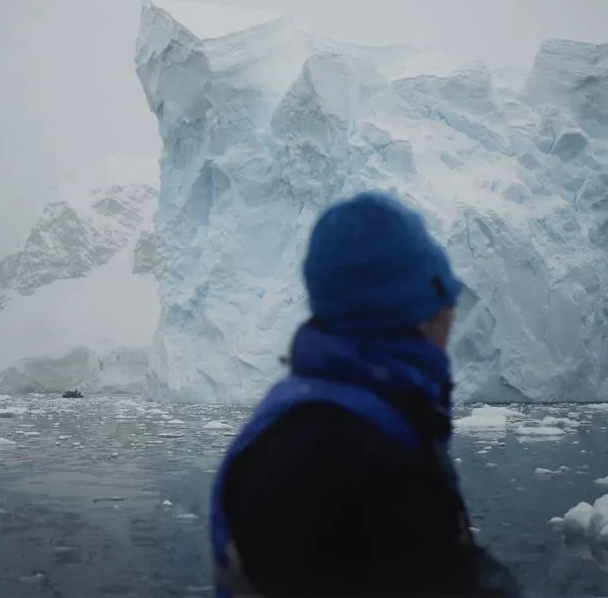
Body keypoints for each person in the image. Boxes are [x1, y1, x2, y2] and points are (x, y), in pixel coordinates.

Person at [209, 192, 519, 598]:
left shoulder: (305, 422)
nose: (451, 316)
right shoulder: (354, 462)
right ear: (412, 312)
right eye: (442, 299)